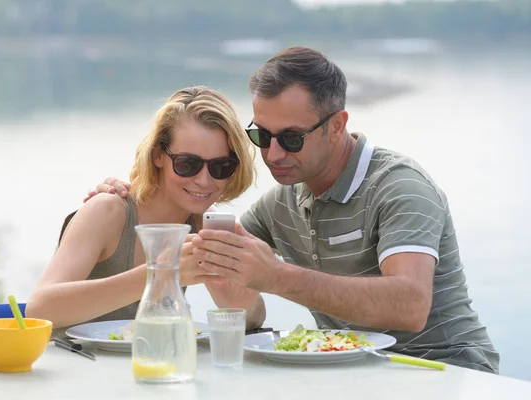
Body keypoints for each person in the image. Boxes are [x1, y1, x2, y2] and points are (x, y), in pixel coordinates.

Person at [86, 47, 499, 373]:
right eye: (261, 135)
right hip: (355, 373)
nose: (273, 153)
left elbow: (410, 306)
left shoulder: (399, 188)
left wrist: (277, 276)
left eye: (291, 138)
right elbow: (212, 249)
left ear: (337, 125)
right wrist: (131, 198)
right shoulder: (282, 201)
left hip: (447, 371)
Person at [25, 86, 265, 334]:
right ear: (157, 156)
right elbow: (39, 309)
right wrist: (162, 273)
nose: (204, 180)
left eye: (221, 166)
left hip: (154, 368)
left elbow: (253, 319)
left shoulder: (204, 221)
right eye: (187, 164)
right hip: (75, 366)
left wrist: (229, 287)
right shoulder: (107, 210)